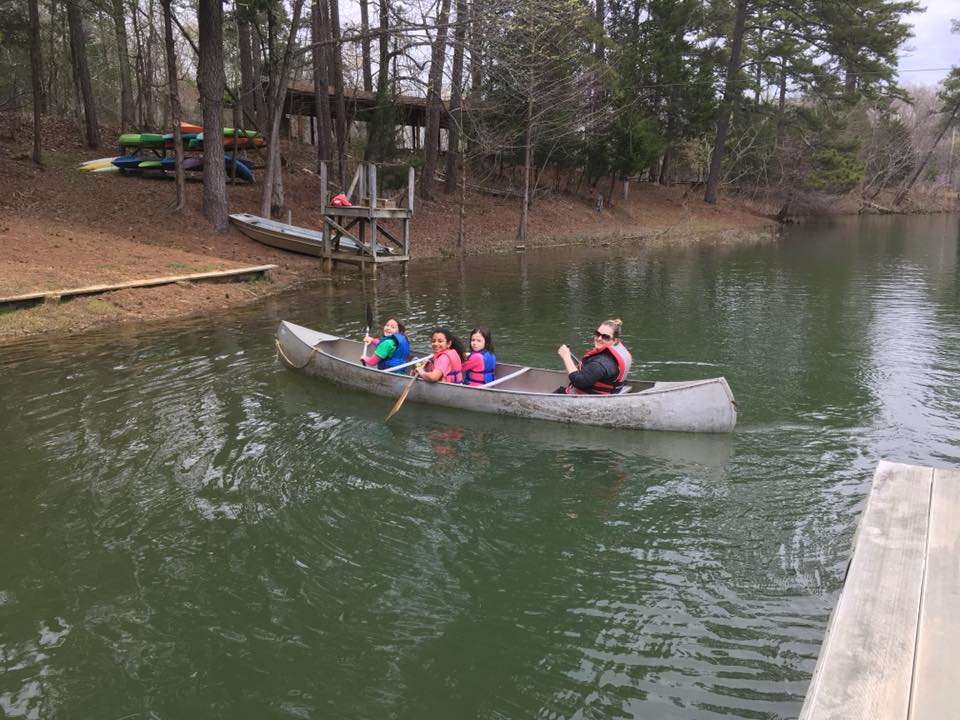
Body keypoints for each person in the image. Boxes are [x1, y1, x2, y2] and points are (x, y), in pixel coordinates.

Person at [556, 318, 632, 394]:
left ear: (615, 340)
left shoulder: (601, 363)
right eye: (597, 333)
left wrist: (566, 357)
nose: (599, 338)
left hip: (584, 400)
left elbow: (579, 381)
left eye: (605, 337)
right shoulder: (614, 351)